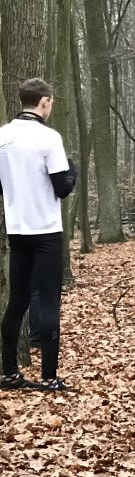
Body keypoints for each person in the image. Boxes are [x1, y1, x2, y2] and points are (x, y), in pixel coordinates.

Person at [0, 78, 77, 392]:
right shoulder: (49, 138)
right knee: (47, 302)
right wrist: (73, 172)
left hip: (17, 230)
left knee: (17, 302)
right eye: (51, 102)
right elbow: (62, 188)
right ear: (44, 101)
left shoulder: (2, 136)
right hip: (46, 231)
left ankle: (9, 373)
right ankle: (48, 376)